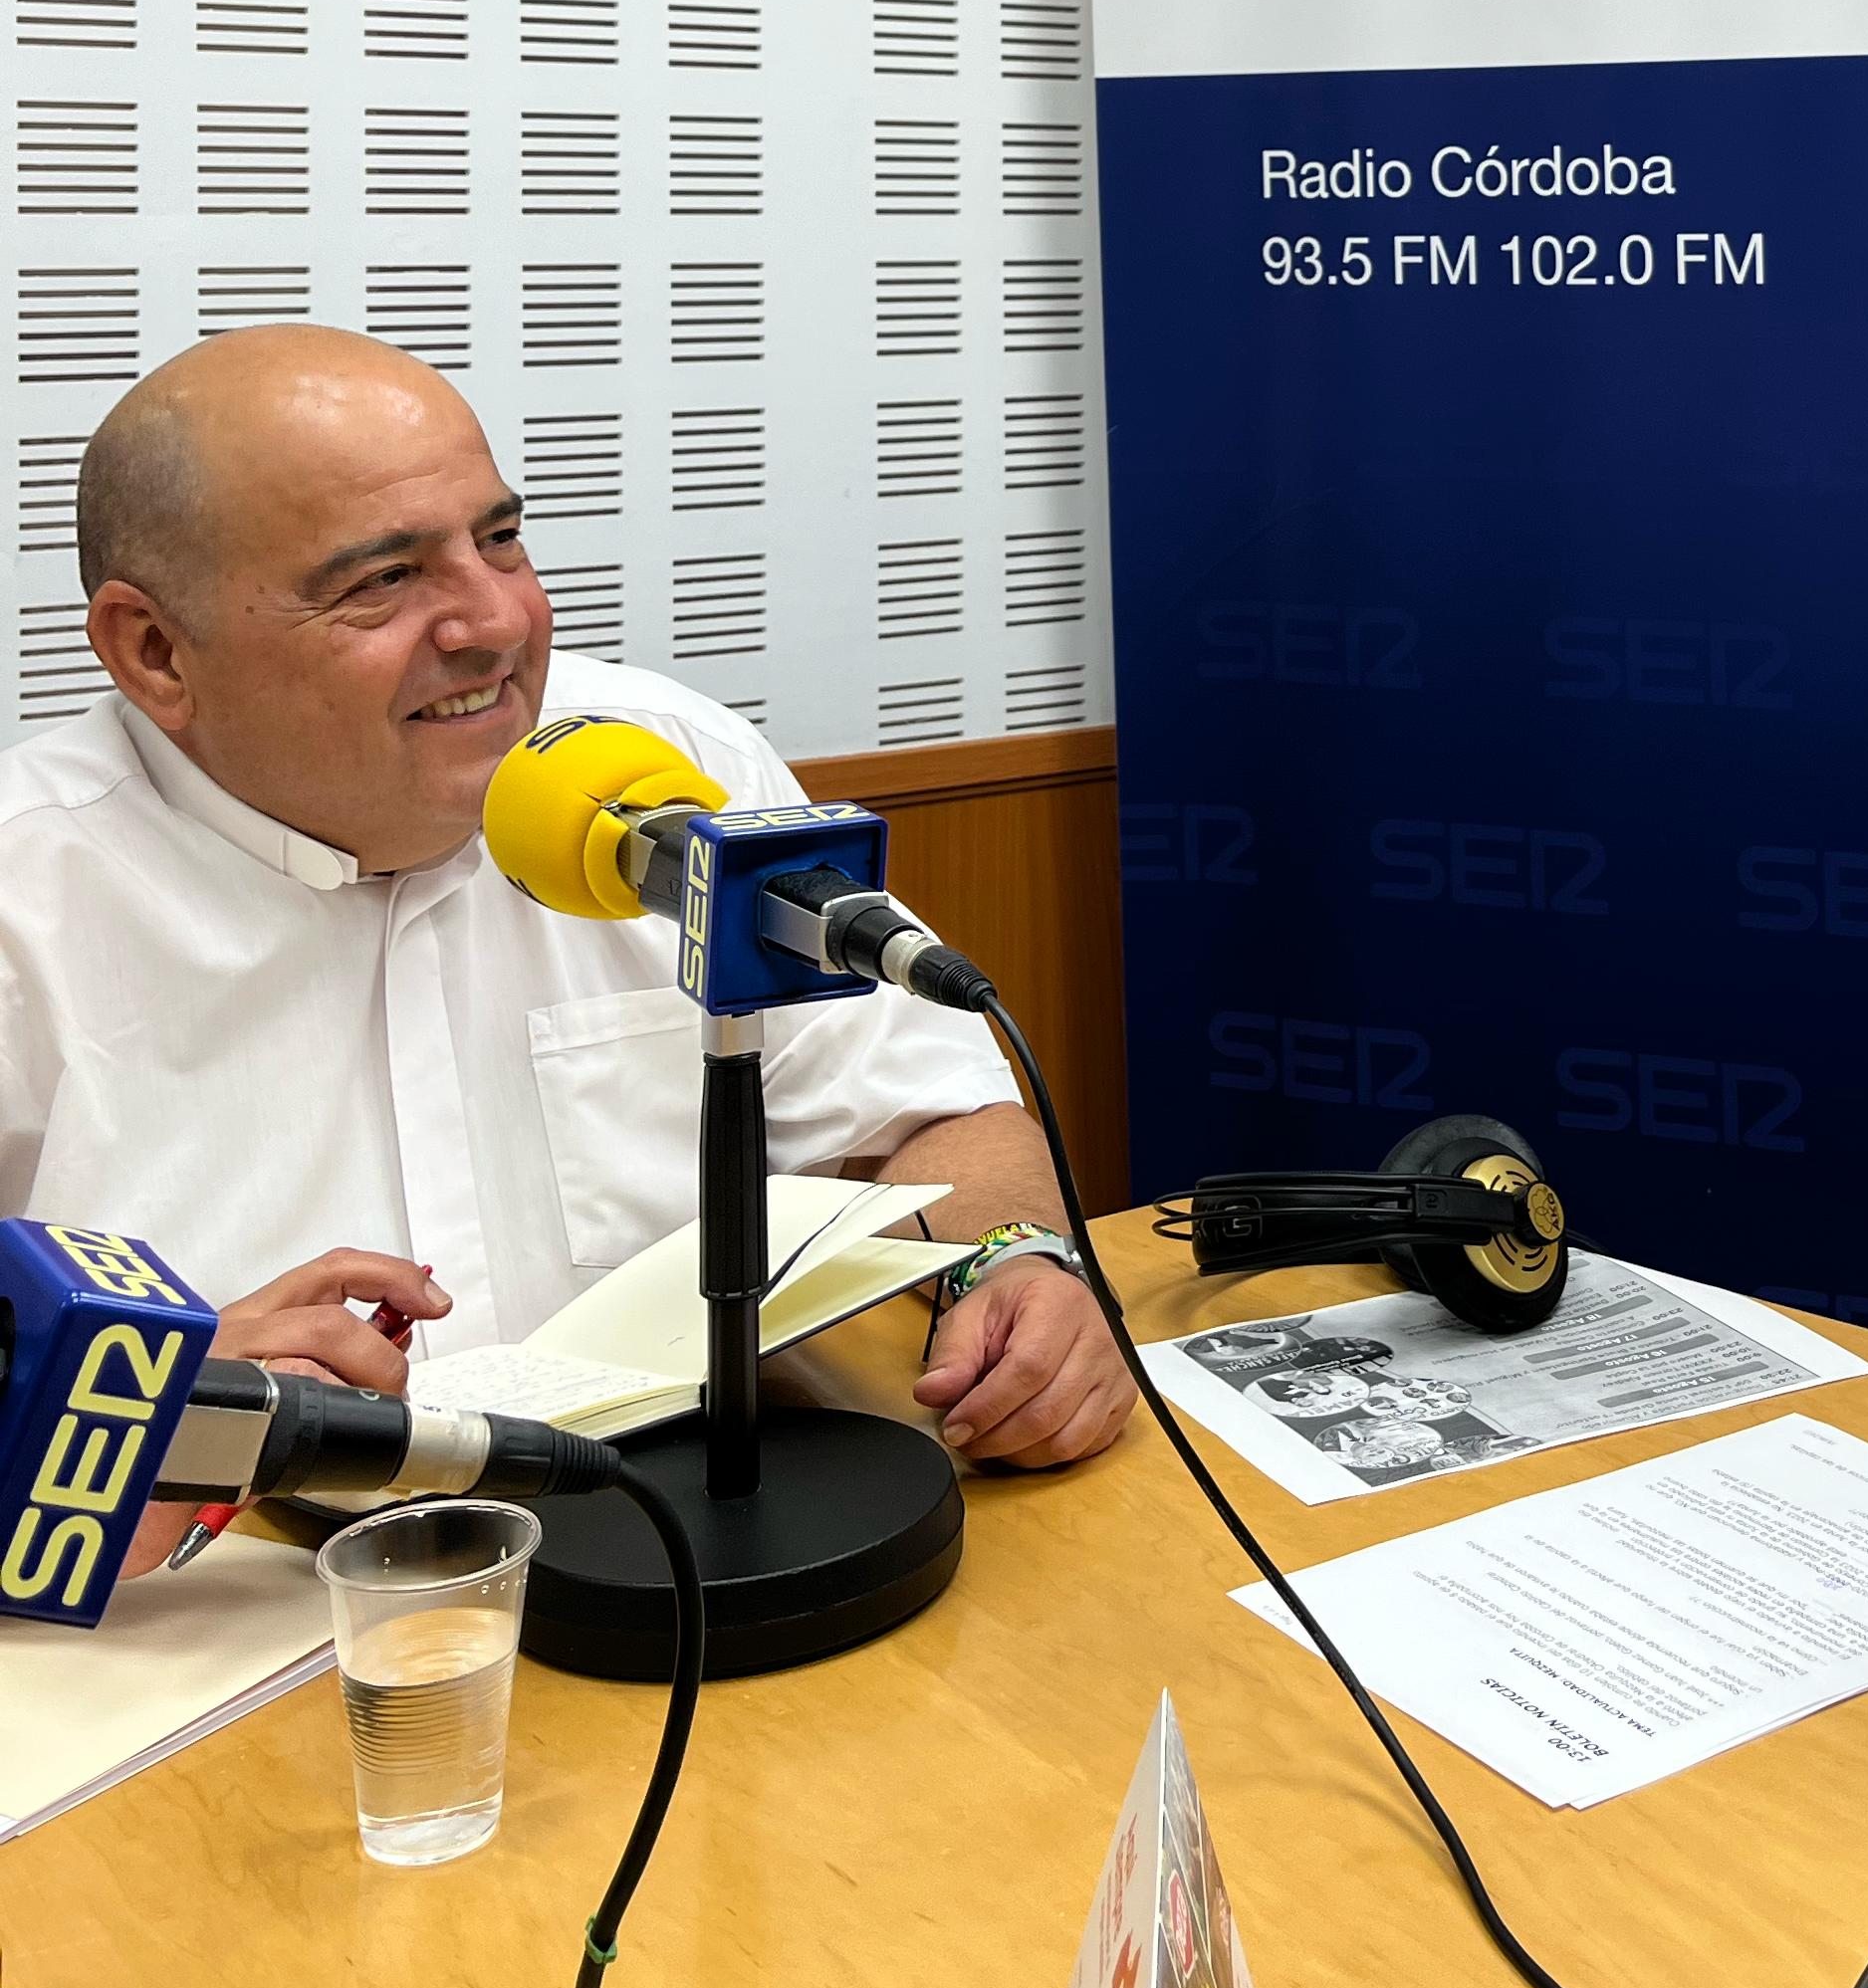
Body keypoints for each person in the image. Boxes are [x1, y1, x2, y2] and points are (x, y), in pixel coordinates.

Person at [0, 328, 1134, 1577]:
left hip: (712, 1550)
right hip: (244, 1620)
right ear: (155, 652)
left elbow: (931, 1113)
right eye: (382, 579)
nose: (495, 621)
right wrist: (124, 1424)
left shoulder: (666, 772)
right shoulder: (27, 898)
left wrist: (1019, 1258)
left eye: (499, 538)